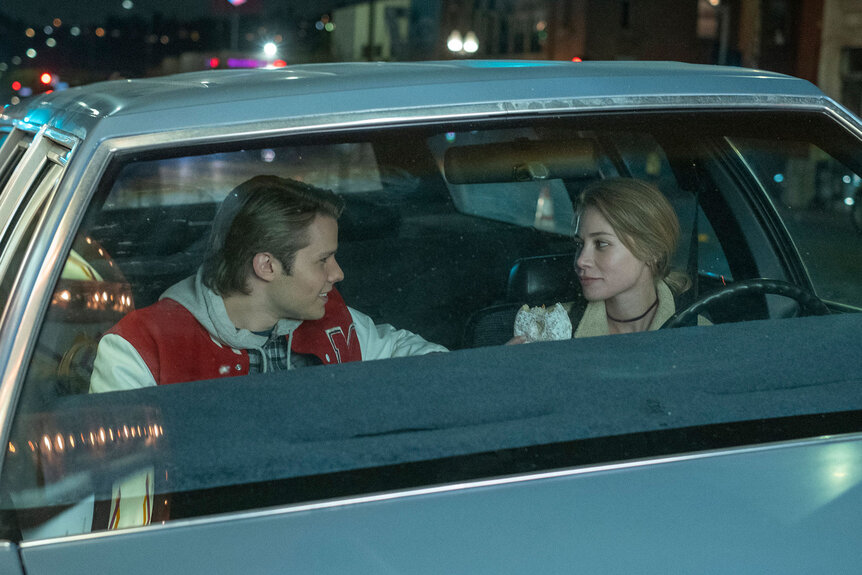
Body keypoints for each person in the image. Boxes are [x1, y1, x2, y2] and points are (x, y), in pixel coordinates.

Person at [90, 175, 446, 392]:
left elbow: (410, 356)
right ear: (266, 265)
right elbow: (120, 486)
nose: (337, 274)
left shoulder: (334, 321)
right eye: (323, 260)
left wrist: (485, 372)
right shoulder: (141, 348)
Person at [569, 177, 708, 337]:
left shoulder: (702, 334)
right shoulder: (545, 331)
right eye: (579, 244)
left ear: (652, 251)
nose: (580, 261)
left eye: (601, 244)